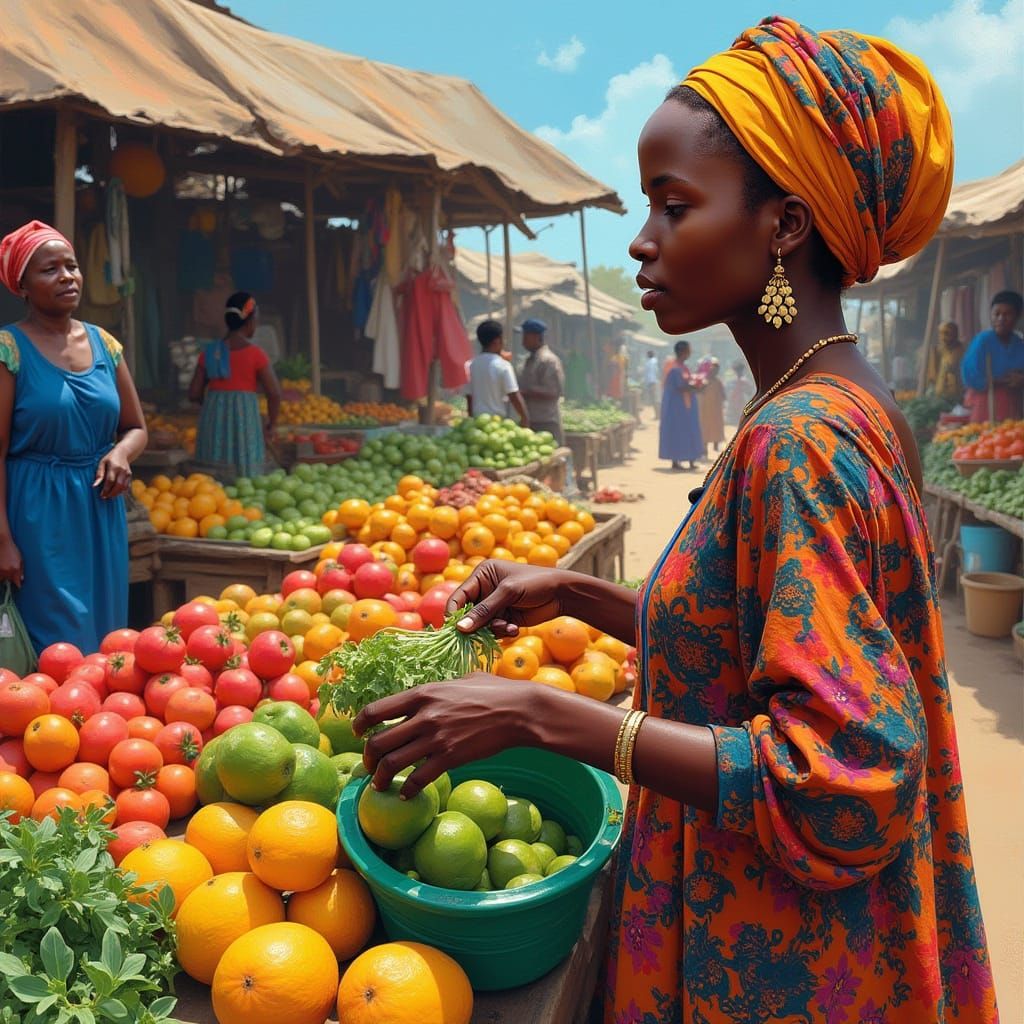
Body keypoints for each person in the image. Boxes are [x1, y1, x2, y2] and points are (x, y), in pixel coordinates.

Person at [351, 17, 997, 1024]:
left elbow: (844, 773)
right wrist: (575, 595)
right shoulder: (838, 402)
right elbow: (756, 640)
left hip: (778, 957)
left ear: (783, 225)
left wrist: (543, 716)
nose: (642, 242)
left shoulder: (802, 442)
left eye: (673, 203)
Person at [0, 221, 147, 654]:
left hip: (98, 510)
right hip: (37, 513)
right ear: (22, 286)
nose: (67, 276)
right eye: (49, 270)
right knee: (56, 641)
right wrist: (3, 539)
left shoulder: (105, 343)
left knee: (105, 636)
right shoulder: (10, 349)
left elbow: (136, 427)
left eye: (72, 266)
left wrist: (121, 454)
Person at [188, 292, 281, 478]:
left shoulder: (210, 352)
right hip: (245, 417)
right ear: (251, 321)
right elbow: (274, 393)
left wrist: (212, 406)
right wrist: (271, 423)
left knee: (212, 472)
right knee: (245, 469)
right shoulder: (256, 354)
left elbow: (194, 393)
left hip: (213, 417)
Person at [961, 290, 1024, 422]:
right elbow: (970, 375)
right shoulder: (983, 341)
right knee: (985, 440)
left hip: (1012, 403)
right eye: (997, 314)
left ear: (1018, 316)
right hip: (984, 403)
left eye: (1007, 314)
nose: (1001, 319)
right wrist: (1001, 381)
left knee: (1011, 438)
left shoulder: (1019, 344)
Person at [465, 319, 529, 425]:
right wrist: (525, 418)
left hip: (477, 422)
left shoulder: (470, 365)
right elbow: (513, 395)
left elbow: (469, 397)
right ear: (497, 340)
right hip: (496, 422)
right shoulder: (503, 366)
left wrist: (471, 419)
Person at [517, 319, 564, 444]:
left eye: (526, 336)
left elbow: (553, 392)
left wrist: (524, 393)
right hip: (531, 420)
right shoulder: (528, 360)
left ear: (537, 337)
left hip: (545, 421)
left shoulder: (548, 360)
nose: (523, 341)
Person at [659, 339, 704, 470]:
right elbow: (679, 386)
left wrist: (696, 386)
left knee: (689, 431)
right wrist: (694, 386)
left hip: (687, 405)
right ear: (683, 351)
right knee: (678, 431)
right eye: (688, 350)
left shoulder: (684, 367)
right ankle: (676, 460)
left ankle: (691, 459)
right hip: (677, 406)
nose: (690, 353)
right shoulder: (674, 368)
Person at [928, 320, 965, 403]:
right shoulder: (937, 350)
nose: (943, 337)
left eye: (947, 333)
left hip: (958, 395)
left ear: (955, 334)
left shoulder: (963, 350)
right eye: (940, 333)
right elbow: (932, 376)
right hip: (940, 395)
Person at [697, 356, 726, 454]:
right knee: (705, 428)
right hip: (705, 410)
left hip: (716, 410)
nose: (715, 371)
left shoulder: (718, 382)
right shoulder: (703, 381)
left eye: (716, 369)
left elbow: (723, 395)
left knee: (716, 427)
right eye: (713, 368)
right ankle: (704, 449)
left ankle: (716, 446)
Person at [724, 358, 754, 425]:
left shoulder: (744, 382)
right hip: (736, 403)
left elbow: (750, 392)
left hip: (742, 402)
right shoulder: (733, 381)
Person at [642, 350, 660, 419]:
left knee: (655, 399)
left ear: (648, 355)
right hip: (654, 381)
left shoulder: (650, 362)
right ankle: (657, 415)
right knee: (655, 399)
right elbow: (656, 371)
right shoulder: (653, 361)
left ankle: (657, 415)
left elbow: (651, 373)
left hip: (652, 382)